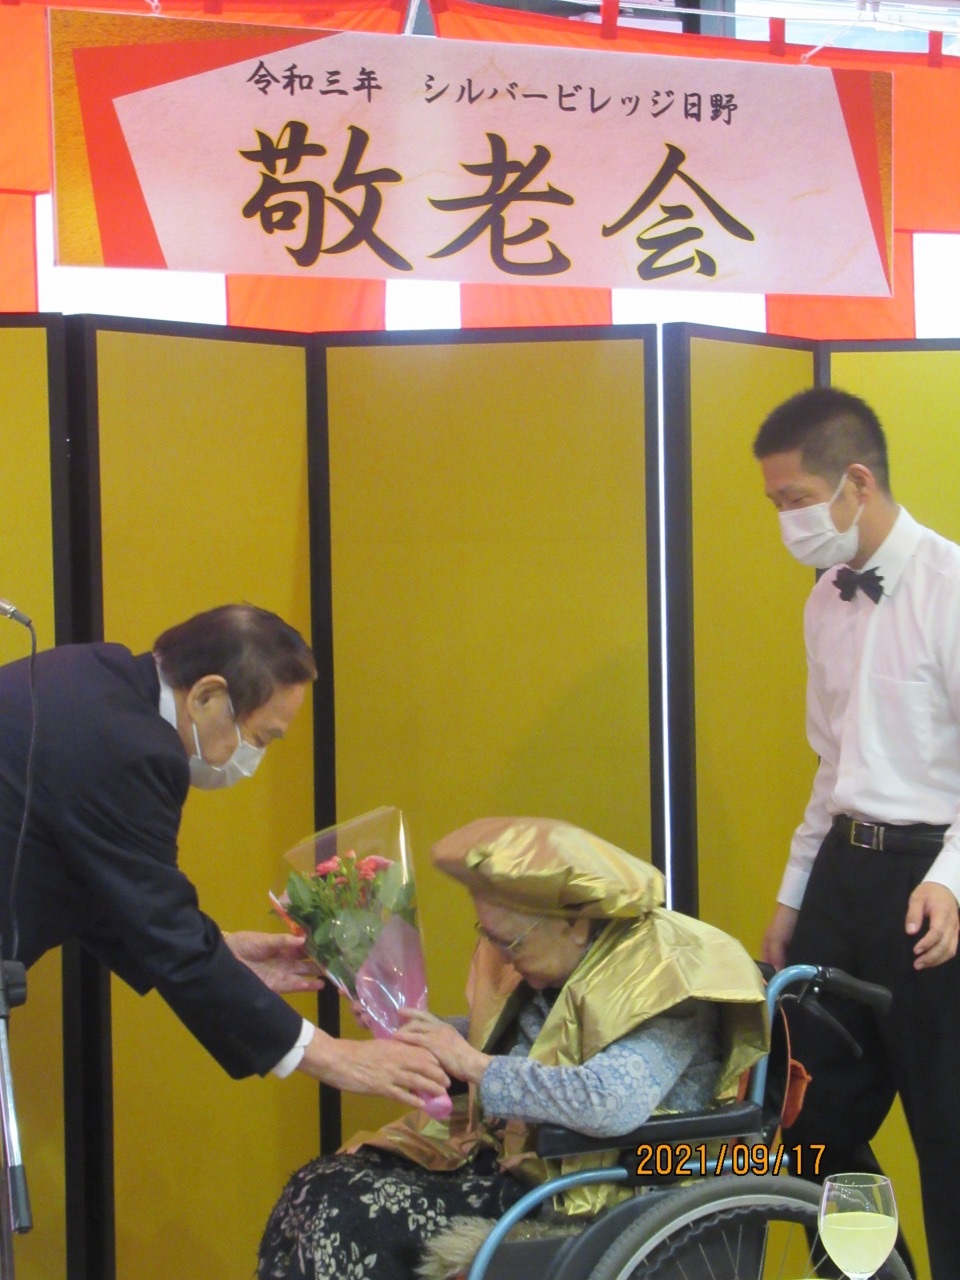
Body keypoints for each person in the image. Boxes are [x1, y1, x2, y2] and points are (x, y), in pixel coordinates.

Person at [258, 815, 768, 1280]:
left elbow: (610, 1102)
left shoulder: (665, 980)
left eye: (510, 942)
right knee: (315, 1184)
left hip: (601, 1188)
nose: (500, 956)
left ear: (576, 923)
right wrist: (417, 1029)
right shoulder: (556, 964)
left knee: (345, 1213)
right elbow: (516, 1045)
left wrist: (473, 1064)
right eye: (490, 937)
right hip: (517, 1164)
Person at [0, 603, 448, 1105]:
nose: (254, 758)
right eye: (260, 737)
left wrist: (224, 953)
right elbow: (161, 923)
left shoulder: (94, 674)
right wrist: (332, 1056)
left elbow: (103, 881)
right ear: (207, 696)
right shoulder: (132, 749)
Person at [753, 386, 960, 1279]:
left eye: (796, 500)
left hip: (933, 886)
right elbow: (829, 767)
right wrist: (791, 899)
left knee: (949, 1128)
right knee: (810, 1120)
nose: (786, 521)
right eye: (775, 504)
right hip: (843, 877)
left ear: (858, 482)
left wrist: (952, 878)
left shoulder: (952, 588)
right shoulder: (823, 605)